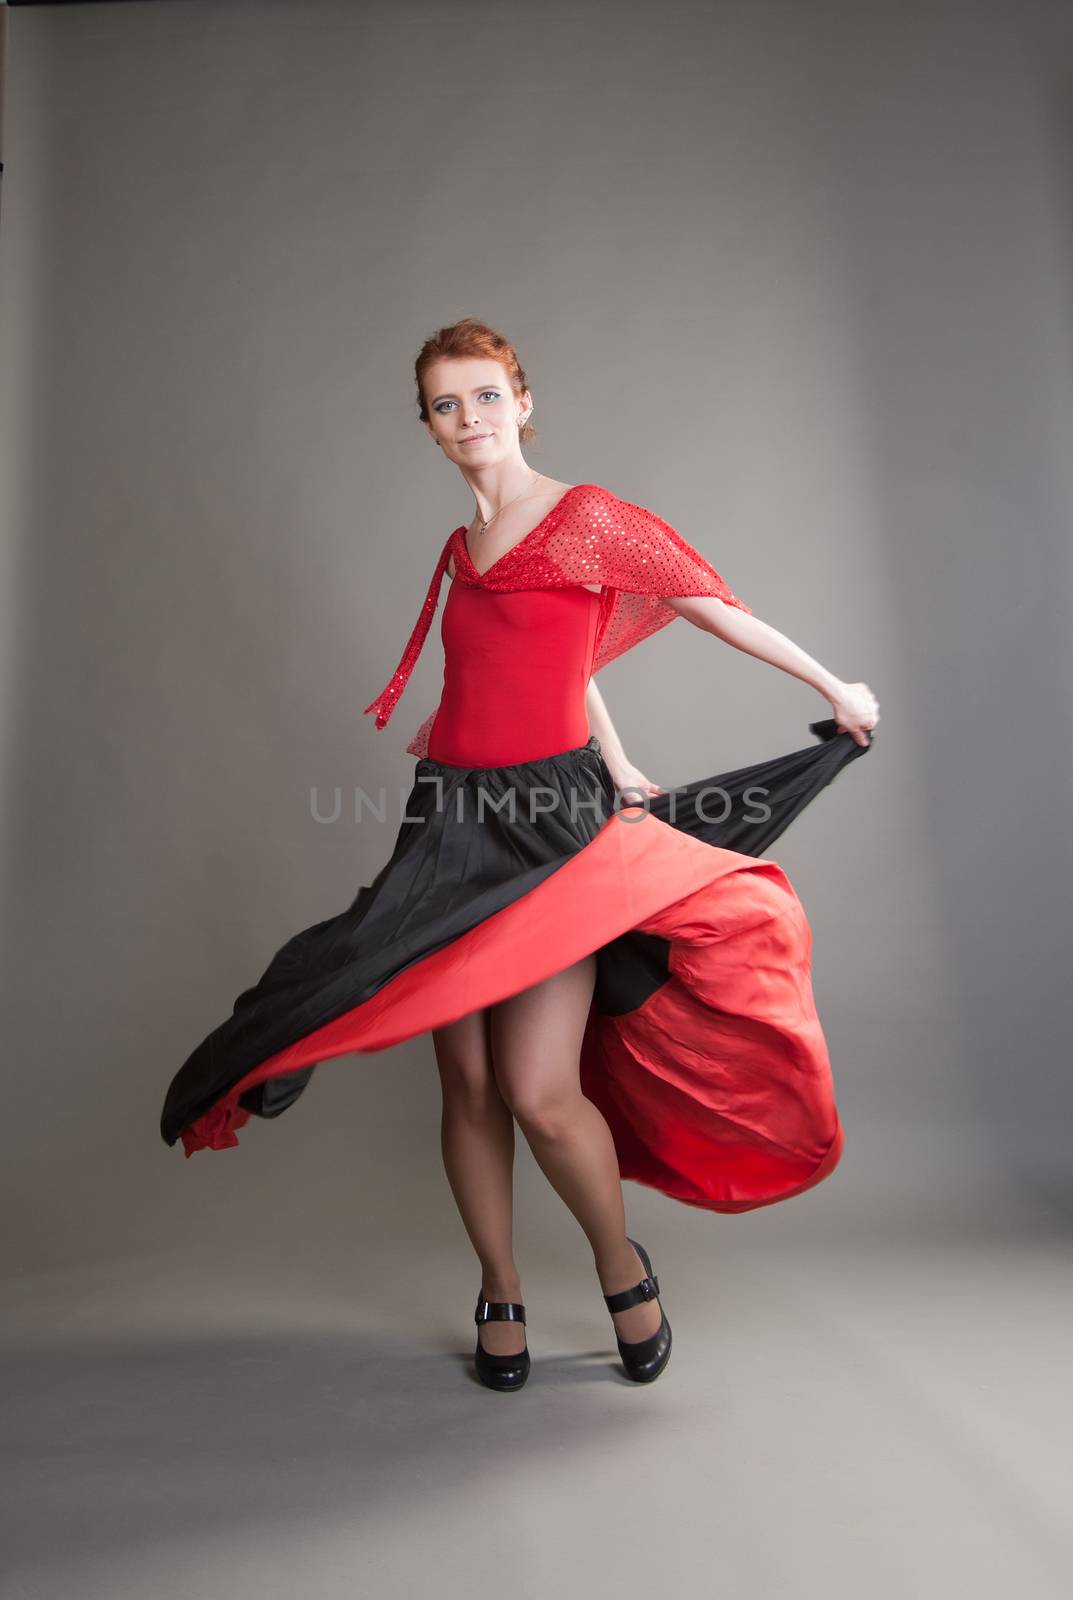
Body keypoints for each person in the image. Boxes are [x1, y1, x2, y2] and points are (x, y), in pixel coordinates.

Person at [159, 316, 879, 1393]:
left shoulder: (584, 518)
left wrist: (833, 690)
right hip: (446, 822)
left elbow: (709, 606)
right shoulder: (460, 550)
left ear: (522, 401)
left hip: (550, 827)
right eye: (445, 405)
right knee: (468, 1084)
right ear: (428, 427)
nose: (468, 420)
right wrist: (623, 749)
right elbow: (563, 659)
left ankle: (617, 1262)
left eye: (485, 397)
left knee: (541, 1090)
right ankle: (498, 1283)